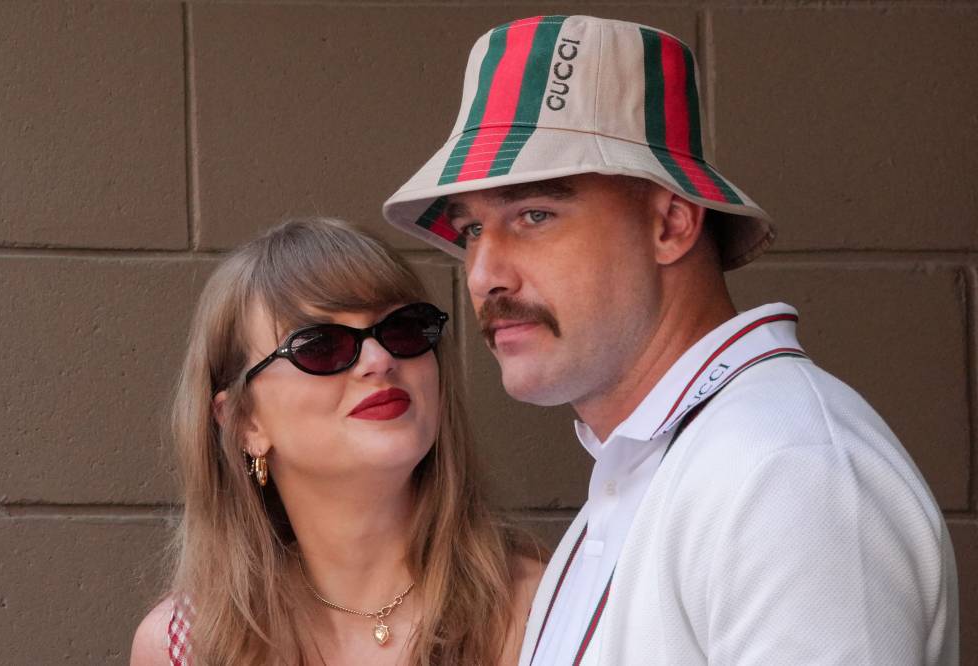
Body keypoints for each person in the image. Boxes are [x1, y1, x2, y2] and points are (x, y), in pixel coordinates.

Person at [383, 14, 958, 665]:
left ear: (671, 224)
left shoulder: (783, 470)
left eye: (534, 214)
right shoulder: (659, 469)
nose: (484, 275)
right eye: (471, 232)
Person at [129, 218, 543, 665]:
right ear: (244, 421)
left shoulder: (540, 607)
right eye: (321, 345)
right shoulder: (187, 646)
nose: (379, 360)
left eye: (404, 329)